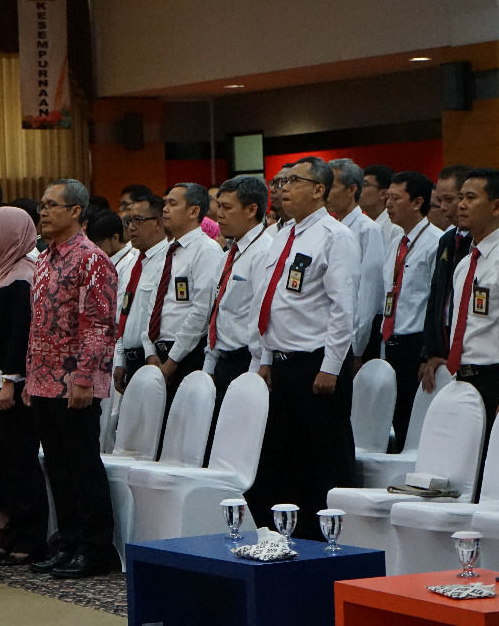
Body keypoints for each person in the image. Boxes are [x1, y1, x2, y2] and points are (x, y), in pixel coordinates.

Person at [246, 156, 358, 540]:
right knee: (283, 458)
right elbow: (272, 301)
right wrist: (265, 357)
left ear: (319, 190)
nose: (284, 189)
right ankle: (286, 534)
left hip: (317, 364)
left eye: (294, 181)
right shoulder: (283, 234)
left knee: (322, 459)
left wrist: (331, 366)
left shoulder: (335, 236)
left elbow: (343, 308)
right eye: (282, 182)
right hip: (282, 362)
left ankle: (327, 538)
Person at [27, 178, 118, 579]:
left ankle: (96, 549)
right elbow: (38, 324)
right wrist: (31, 377)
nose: (43, 212)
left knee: (82, 466)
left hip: (75, 382)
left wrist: (83, 378)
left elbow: (99, 324)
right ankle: (67, 542)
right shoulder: (44, 258)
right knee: (58, 467)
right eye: (42, 205)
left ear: (75, 211)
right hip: (43, 381)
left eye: (51, 205)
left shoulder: (91, 258)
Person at [0, 206, 48, 566]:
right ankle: (10, 532)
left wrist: (8, 381)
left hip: (10, 384)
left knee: (21, 462)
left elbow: (20, 336)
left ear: (14, 235)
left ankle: (30, 538)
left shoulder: (23, 277)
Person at [444, 169, 499, 447]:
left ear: (497, 206)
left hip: (494, 377)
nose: (461, 205)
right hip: (461, 376)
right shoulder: (465, 263)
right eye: (460, 198)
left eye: (470, 198)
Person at [203, 175, 273, 452]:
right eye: (218, 206)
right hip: (223, 359)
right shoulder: (229, 253)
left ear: (251, 209)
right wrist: (210, 364)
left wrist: (254, 373)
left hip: (246, 361)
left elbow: (262, 317)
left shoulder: (265, 251)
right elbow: (219, 312)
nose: (219, 215)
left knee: (241, 448)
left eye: (227, 208)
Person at [147, 183, 225, 417]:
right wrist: (150, 351)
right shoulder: (167, 250)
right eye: (165, 203)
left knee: (182, 424)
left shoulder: (206, 250)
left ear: (193, 211)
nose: (165, 209)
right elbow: (153, 303)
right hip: (157, 352)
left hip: (186, 354)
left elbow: (201, 311)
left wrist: (171, 362)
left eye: (172, 204)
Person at [380, 172, 441, 452]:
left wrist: (428, 352)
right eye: (387, 197)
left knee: (416, 422)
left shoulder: (436, 242)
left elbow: (436, 303)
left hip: (416, 344)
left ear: (417, 202)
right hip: (391, 342)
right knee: (396, 418)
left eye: (395, 198)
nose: (388, 204)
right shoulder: (396, 241)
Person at [419, 164, 472, 393]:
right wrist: (430, 353)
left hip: (474, 351)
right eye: (439, 200)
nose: (442, 207)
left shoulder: (494, 242)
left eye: (449, 199)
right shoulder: (447, 239)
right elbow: (436, 299)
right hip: (444, 343)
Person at [329, 158, 385, 365]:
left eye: (331, 186)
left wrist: (357, 346)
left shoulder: (368, 229)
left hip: (357, 338)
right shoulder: (331, 228)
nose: (325, 193)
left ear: (351, 189)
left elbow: (369, 294)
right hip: (332, 333)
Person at [111, 195, 170, 390]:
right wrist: (120, 359)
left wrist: (150, 353)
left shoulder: (169, 261)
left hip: (154, 358)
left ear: (158, 222)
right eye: (129, 221)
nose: (131, 227)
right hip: (130, 358)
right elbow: (123, 314)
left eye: (138, 220)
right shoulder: (130, 263)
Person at [362, 164, 404, 257]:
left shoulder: (395, 228)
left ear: (383, 193)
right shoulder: (361, 224)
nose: (358, 189)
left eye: (365, 184)